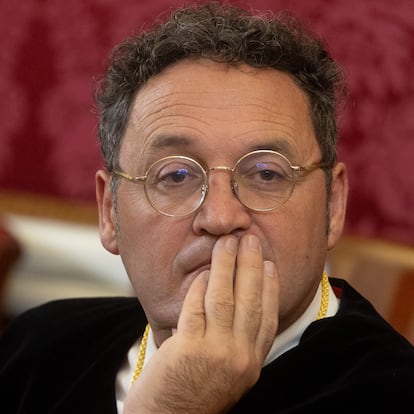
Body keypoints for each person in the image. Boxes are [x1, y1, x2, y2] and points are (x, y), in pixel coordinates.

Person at [1, 1, 414, 412]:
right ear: (110, 212)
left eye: (266, 174)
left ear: (333, 204)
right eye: (176, 176)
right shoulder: (41, 345)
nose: (220, 218)